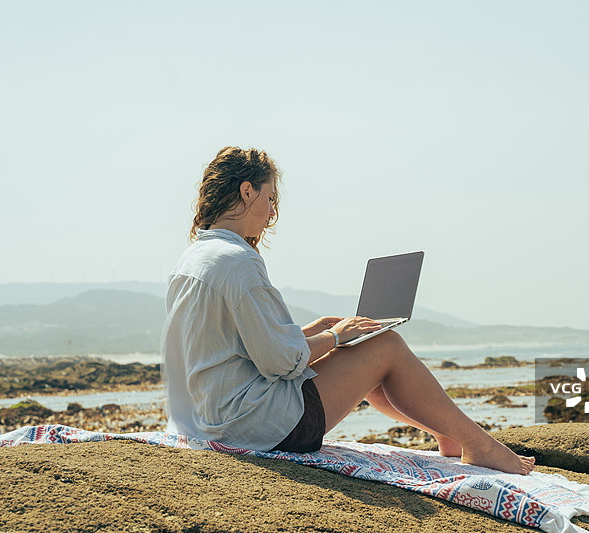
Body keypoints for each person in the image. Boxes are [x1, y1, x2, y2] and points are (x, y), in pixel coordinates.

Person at [162, 146, 535, 475]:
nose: (272, 211)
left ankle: (445, 435)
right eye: (270, 198)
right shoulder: (239, 262)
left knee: (362, 345)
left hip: (209, 420)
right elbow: (279, 361)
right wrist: (336, 336)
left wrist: (316, 332)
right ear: (247, 191)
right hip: (259, 428)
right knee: (384, 346)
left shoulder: (194, 257)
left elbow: (236, 346)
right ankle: (480, 445)